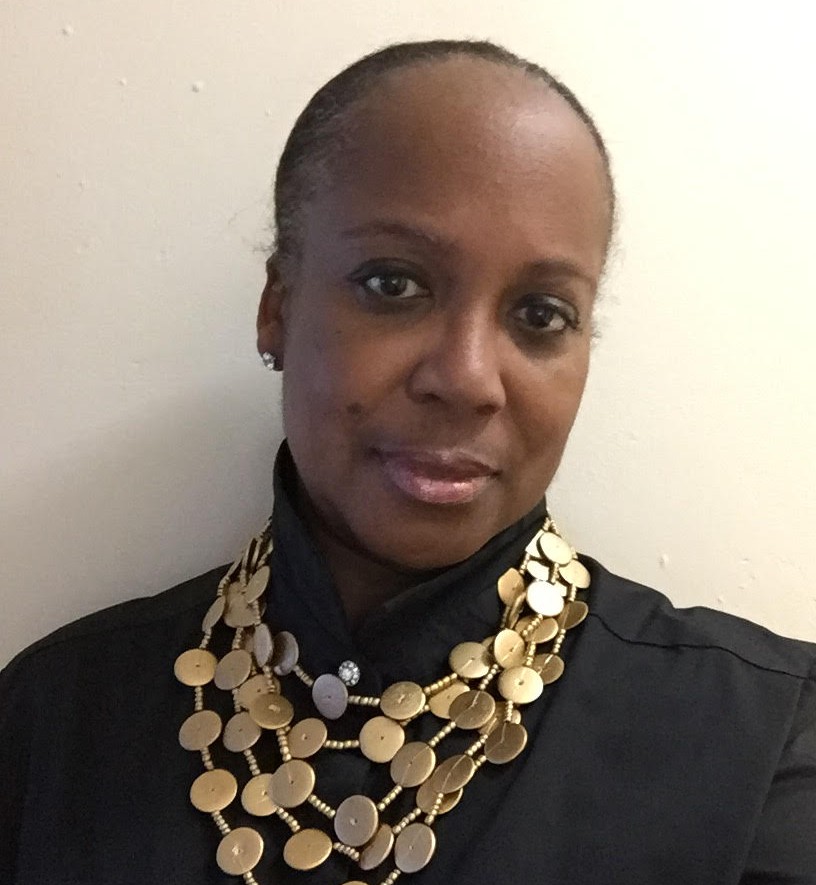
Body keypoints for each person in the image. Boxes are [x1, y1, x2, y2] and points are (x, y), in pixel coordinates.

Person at [1, 39, 814, 885]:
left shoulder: (764, 748)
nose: (467, 379)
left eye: (540, 313)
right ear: (278, 308)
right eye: (394, 285)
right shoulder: (58, 723)